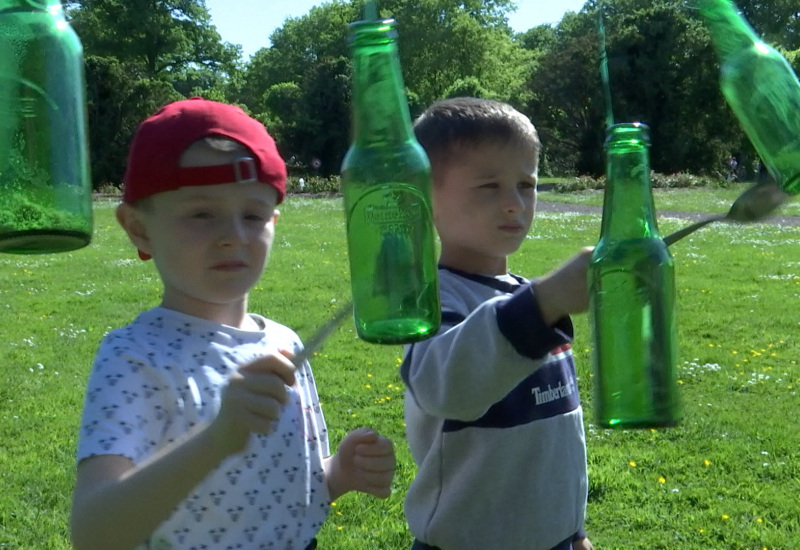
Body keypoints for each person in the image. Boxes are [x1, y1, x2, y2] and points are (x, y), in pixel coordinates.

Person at [70, 98, 396, 550]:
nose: (234, 236)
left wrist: (339, 471)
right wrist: (217, 439)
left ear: (273, 222)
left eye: (253, 215)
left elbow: (291, 487)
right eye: (201, 214)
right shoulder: (134, 357)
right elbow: (94, 532)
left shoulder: (284, 344)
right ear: (139, 229)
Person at [400, 97, 594, 550]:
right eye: (489, 186)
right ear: (425, 197)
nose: (513, 204)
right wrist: (543, 303)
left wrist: (573, 529)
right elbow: (448, 387)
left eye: (526, 185)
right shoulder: (432, 303)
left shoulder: (526, 299)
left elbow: (556, 438)